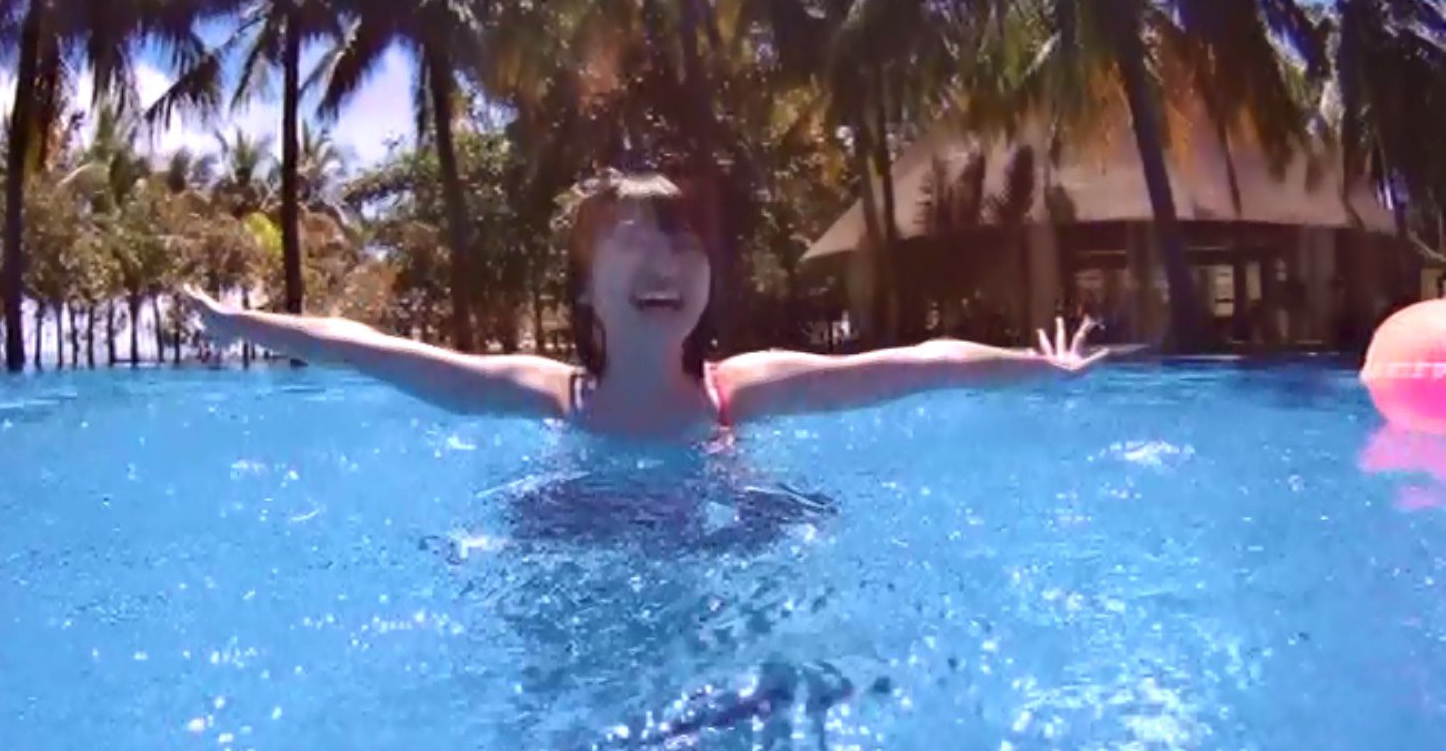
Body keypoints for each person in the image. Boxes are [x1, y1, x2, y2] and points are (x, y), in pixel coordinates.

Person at [183, 171, 1106, 441]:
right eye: (632, 239)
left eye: (682, 241)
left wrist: (1039, 367)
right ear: (586, 285)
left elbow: (917, 366)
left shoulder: (742, 392)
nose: (664, 260)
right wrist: (237, 324)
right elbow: (367, 348)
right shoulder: (541, 394)